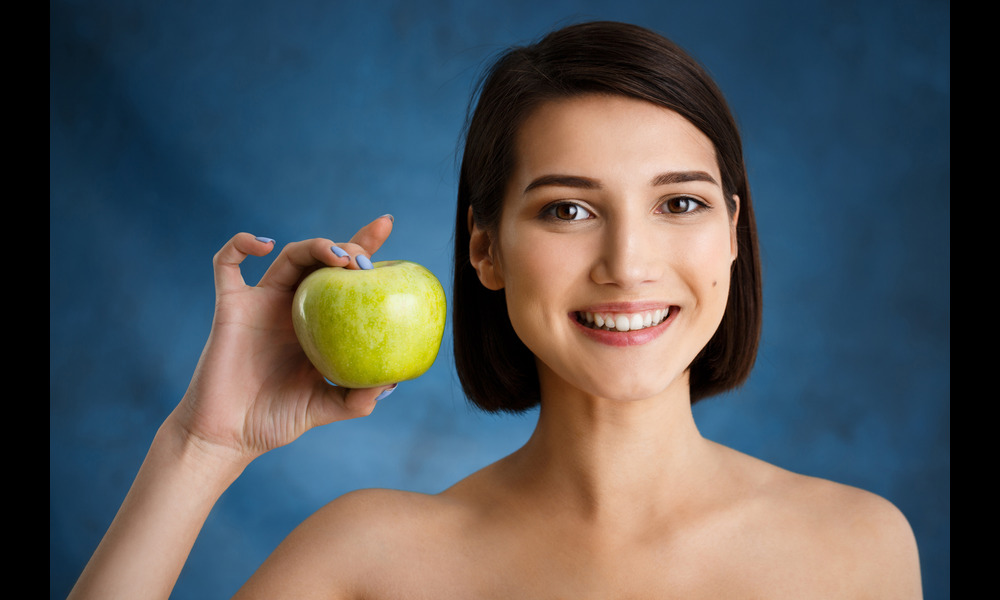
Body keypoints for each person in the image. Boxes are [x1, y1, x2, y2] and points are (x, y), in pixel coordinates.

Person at [68, 21, 922, 599]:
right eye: (567, 209)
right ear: (484, 248)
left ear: (734, 233)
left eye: (681, 204)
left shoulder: (860, 547)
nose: (628, 264)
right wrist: (201, 445)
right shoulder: (370, 559)